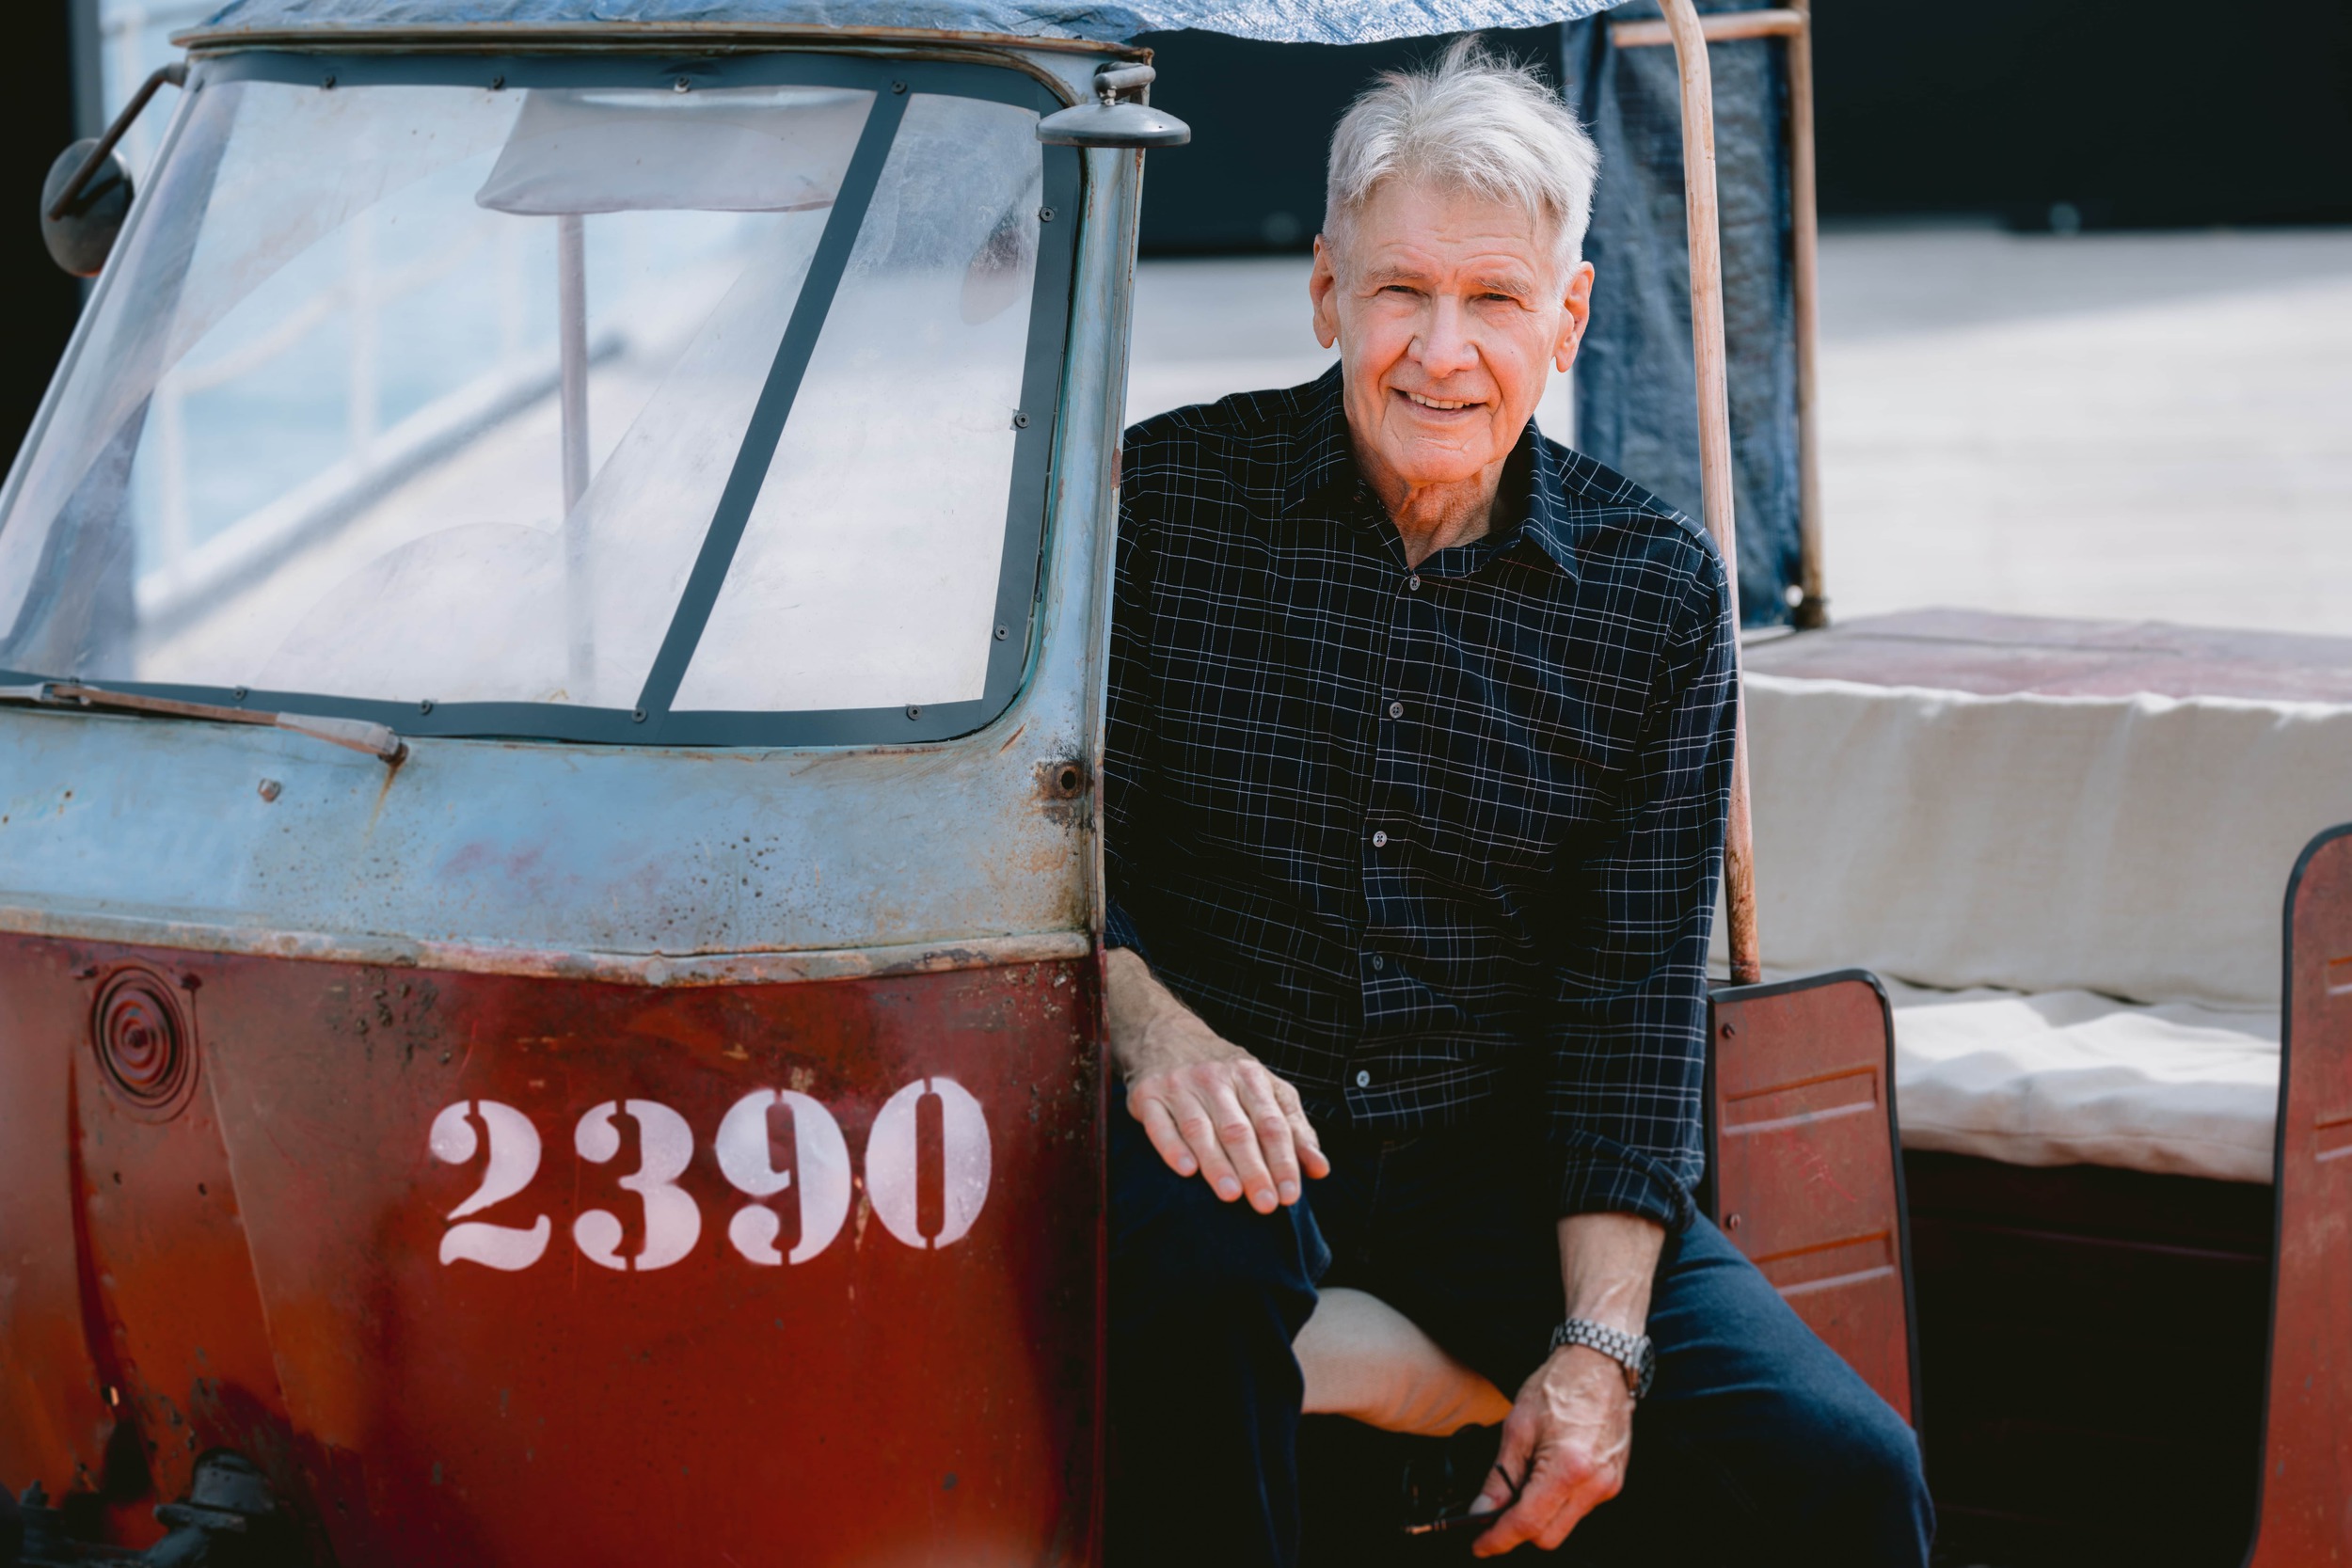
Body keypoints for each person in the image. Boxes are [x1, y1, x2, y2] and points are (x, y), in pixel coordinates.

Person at [1102, 38, 1931, 1566]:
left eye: (1494, 298)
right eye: (1400, 291)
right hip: (1218, 1118)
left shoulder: (1654, 590)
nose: (1442, 351)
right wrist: (1154, 1030)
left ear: (1571, 316)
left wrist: (1600, 1346)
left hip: (1488, 1153)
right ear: (1325, 291)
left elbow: (1632, 1002)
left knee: (1842, 1472)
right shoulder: (1162, 503)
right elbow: (1051, 852)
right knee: (1190, 1306)